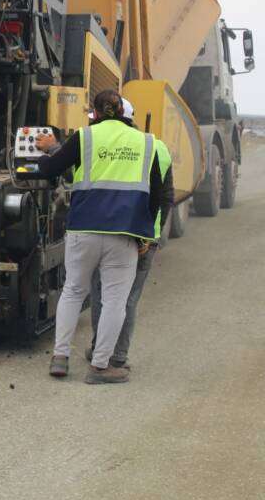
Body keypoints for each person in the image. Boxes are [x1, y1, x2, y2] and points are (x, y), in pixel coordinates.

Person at [33, 89, 170, 384]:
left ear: (94, 113)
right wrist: (145, 234)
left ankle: (60, 357)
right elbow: (158, 194)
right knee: (114, 302)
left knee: (73, 291)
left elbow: (52, 170)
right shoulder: (147, 143)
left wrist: (43, 156)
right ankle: (100, 367)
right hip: (124, 234)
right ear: (122, 112)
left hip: (83, 229)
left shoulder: (85, 137)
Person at [85, 98, 174, 372]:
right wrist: (148, 236)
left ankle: (104, 350)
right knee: (127, 298)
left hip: (107, 231)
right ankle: (116, 356)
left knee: (103, 295)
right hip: (142, 235)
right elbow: (166, 197)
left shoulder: (96, 144)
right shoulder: (155, 147)